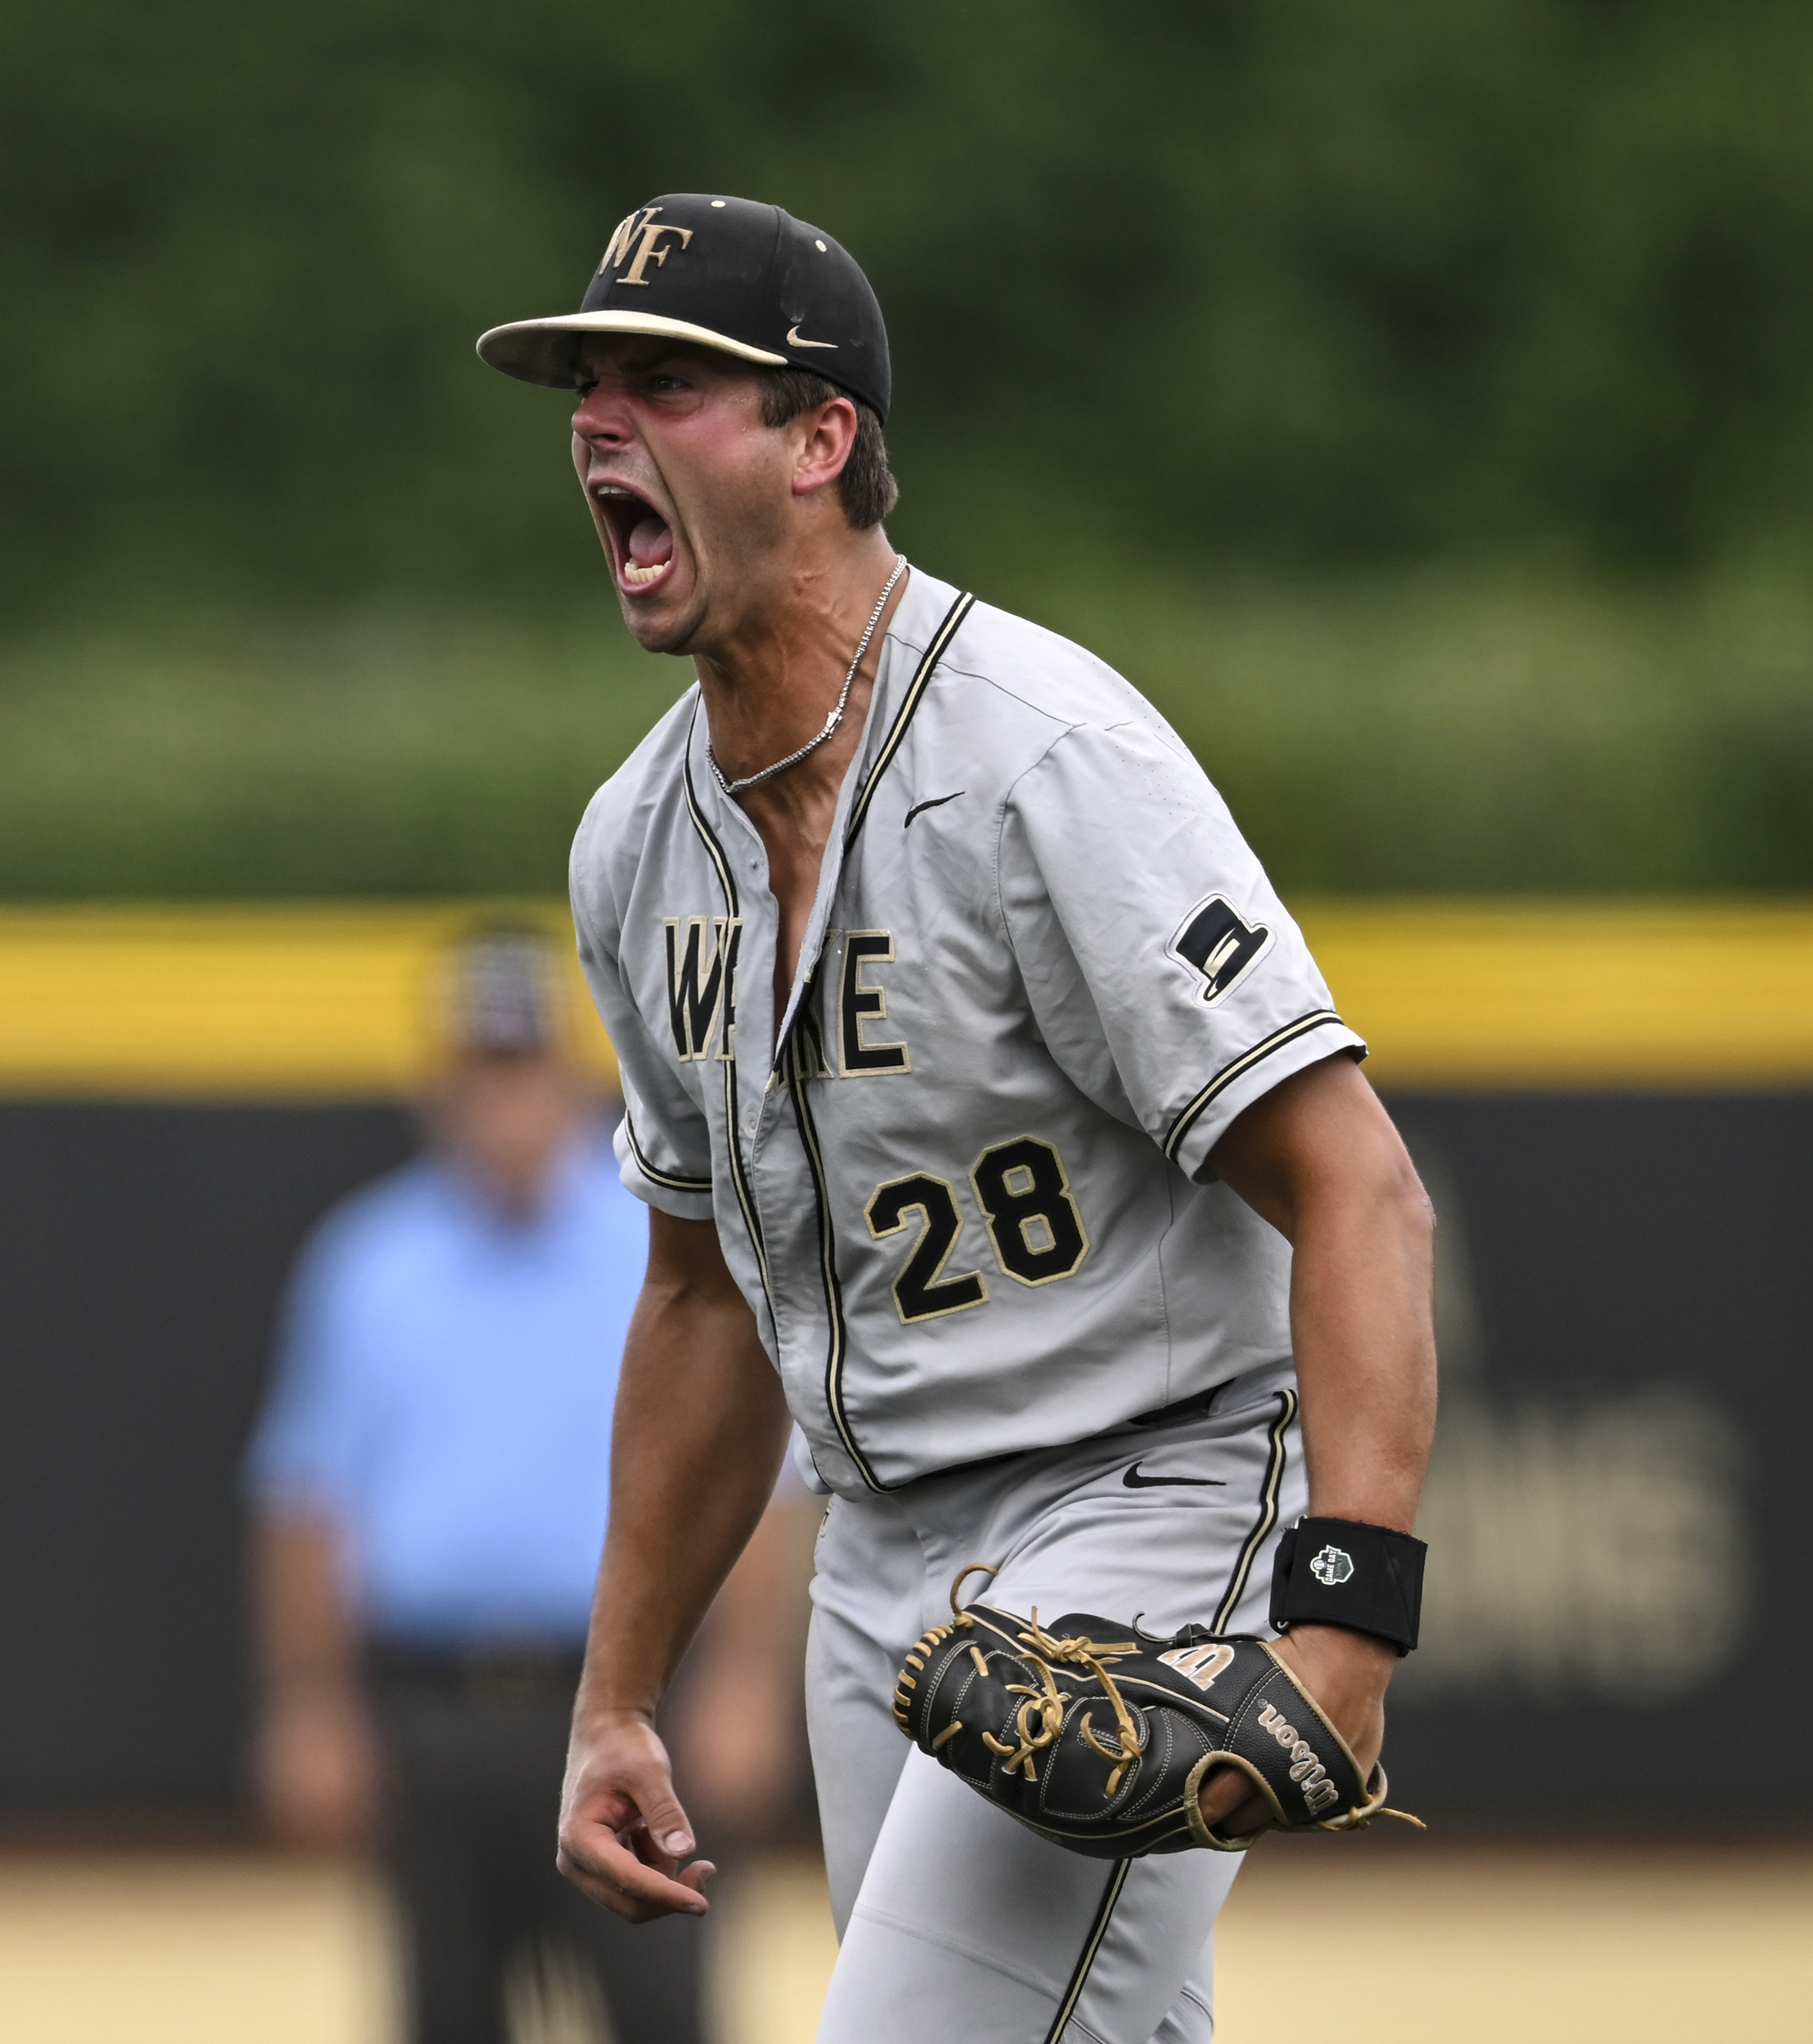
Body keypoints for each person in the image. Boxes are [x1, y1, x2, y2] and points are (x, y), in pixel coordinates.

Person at [469, 196, 1438, 2042]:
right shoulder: (633, 848)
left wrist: (1342, 1617)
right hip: (882, 1558)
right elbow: (696, 1300)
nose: (597, 419)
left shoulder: (1038, 759)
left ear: (819, 438)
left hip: (1143, 1482)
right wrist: (614, 1693)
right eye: (583, 383)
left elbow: (1355, 1184)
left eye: (667, 380)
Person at [246, 929, 810, 2044]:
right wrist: (311, 1702)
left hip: (634, 1696)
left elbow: (753, 1482)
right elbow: (305, 1501)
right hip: (437, 1715)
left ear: (568, 1076)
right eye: (478, 1068)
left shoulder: (660, 1251)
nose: (501, 1096)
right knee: (449, 2013)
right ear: (438, 1085)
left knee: (659, 2011)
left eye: (520, 1065)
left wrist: (746, 1679)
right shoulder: (369, 1262)